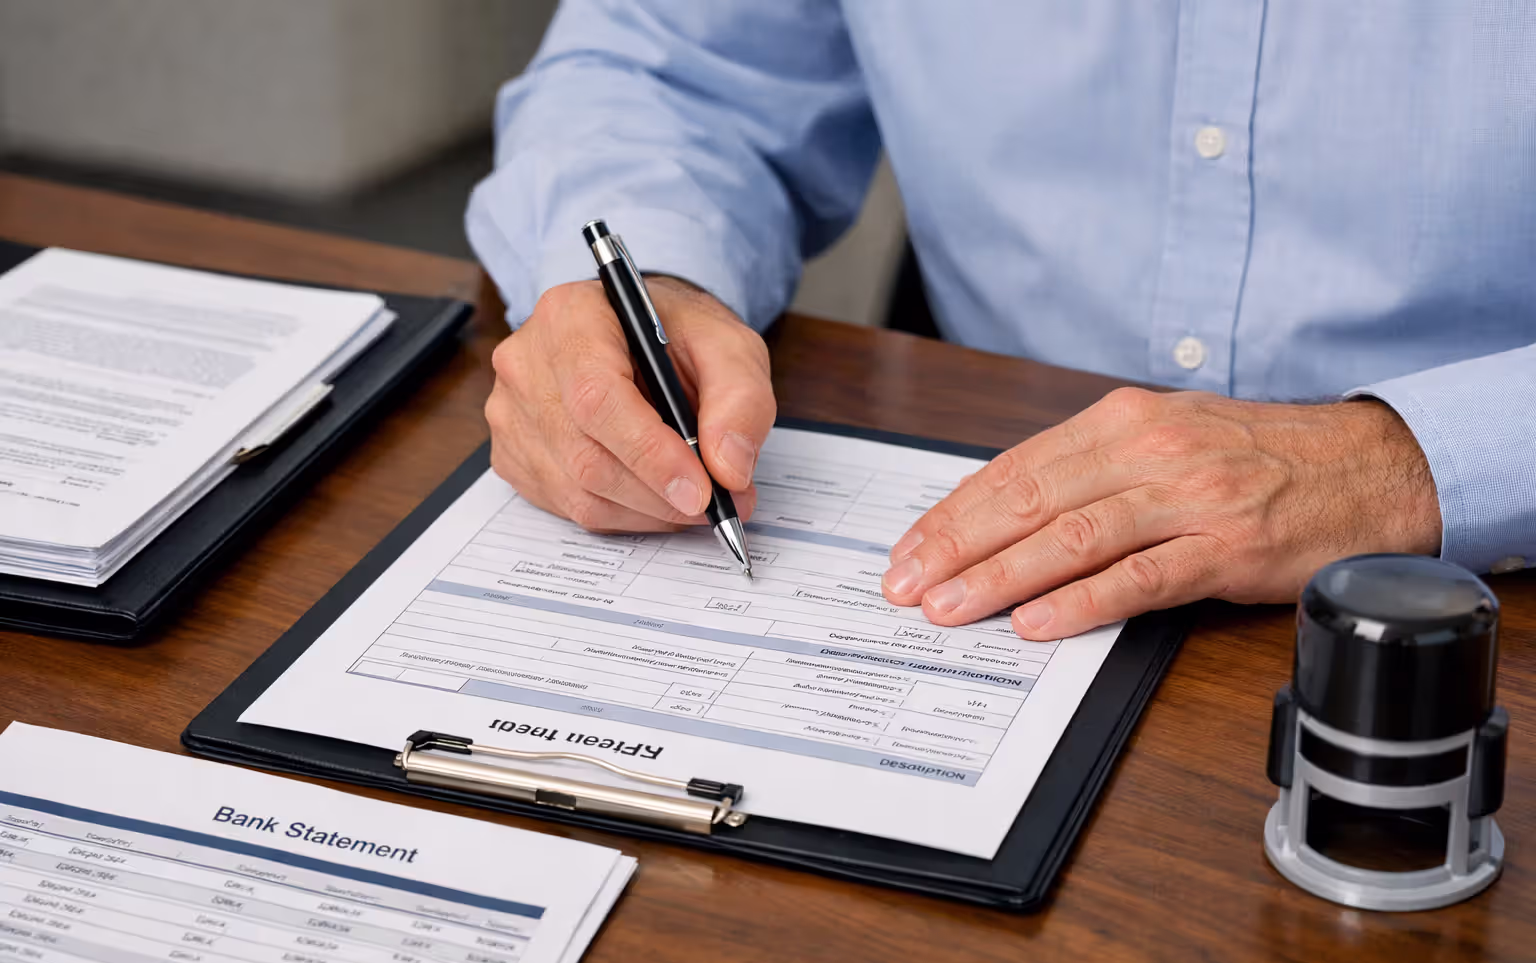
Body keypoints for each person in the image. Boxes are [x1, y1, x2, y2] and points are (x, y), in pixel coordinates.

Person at [467, 2, 1534, 642]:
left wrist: (1405, 462)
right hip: (977, 450)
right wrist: (651, 275)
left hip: (1472, 578)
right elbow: (673, 67)